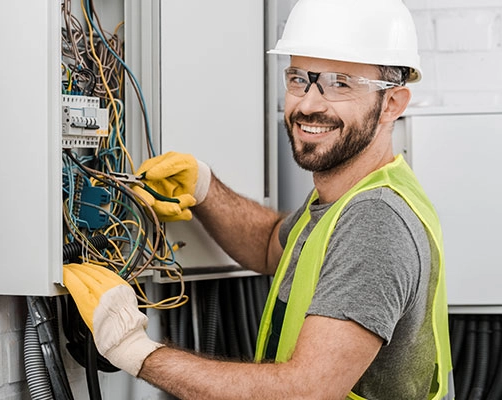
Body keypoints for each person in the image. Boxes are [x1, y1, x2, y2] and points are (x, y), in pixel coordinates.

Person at [63, 0, 454, 398]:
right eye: (299, 78)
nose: (308, 104)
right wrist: (204, 188)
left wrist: (134, 351)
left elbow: (303, 393)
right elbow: (272, 245)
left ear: (392, 104)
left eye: (341, 83)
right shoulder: (343, 200)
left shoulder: (375, 221)